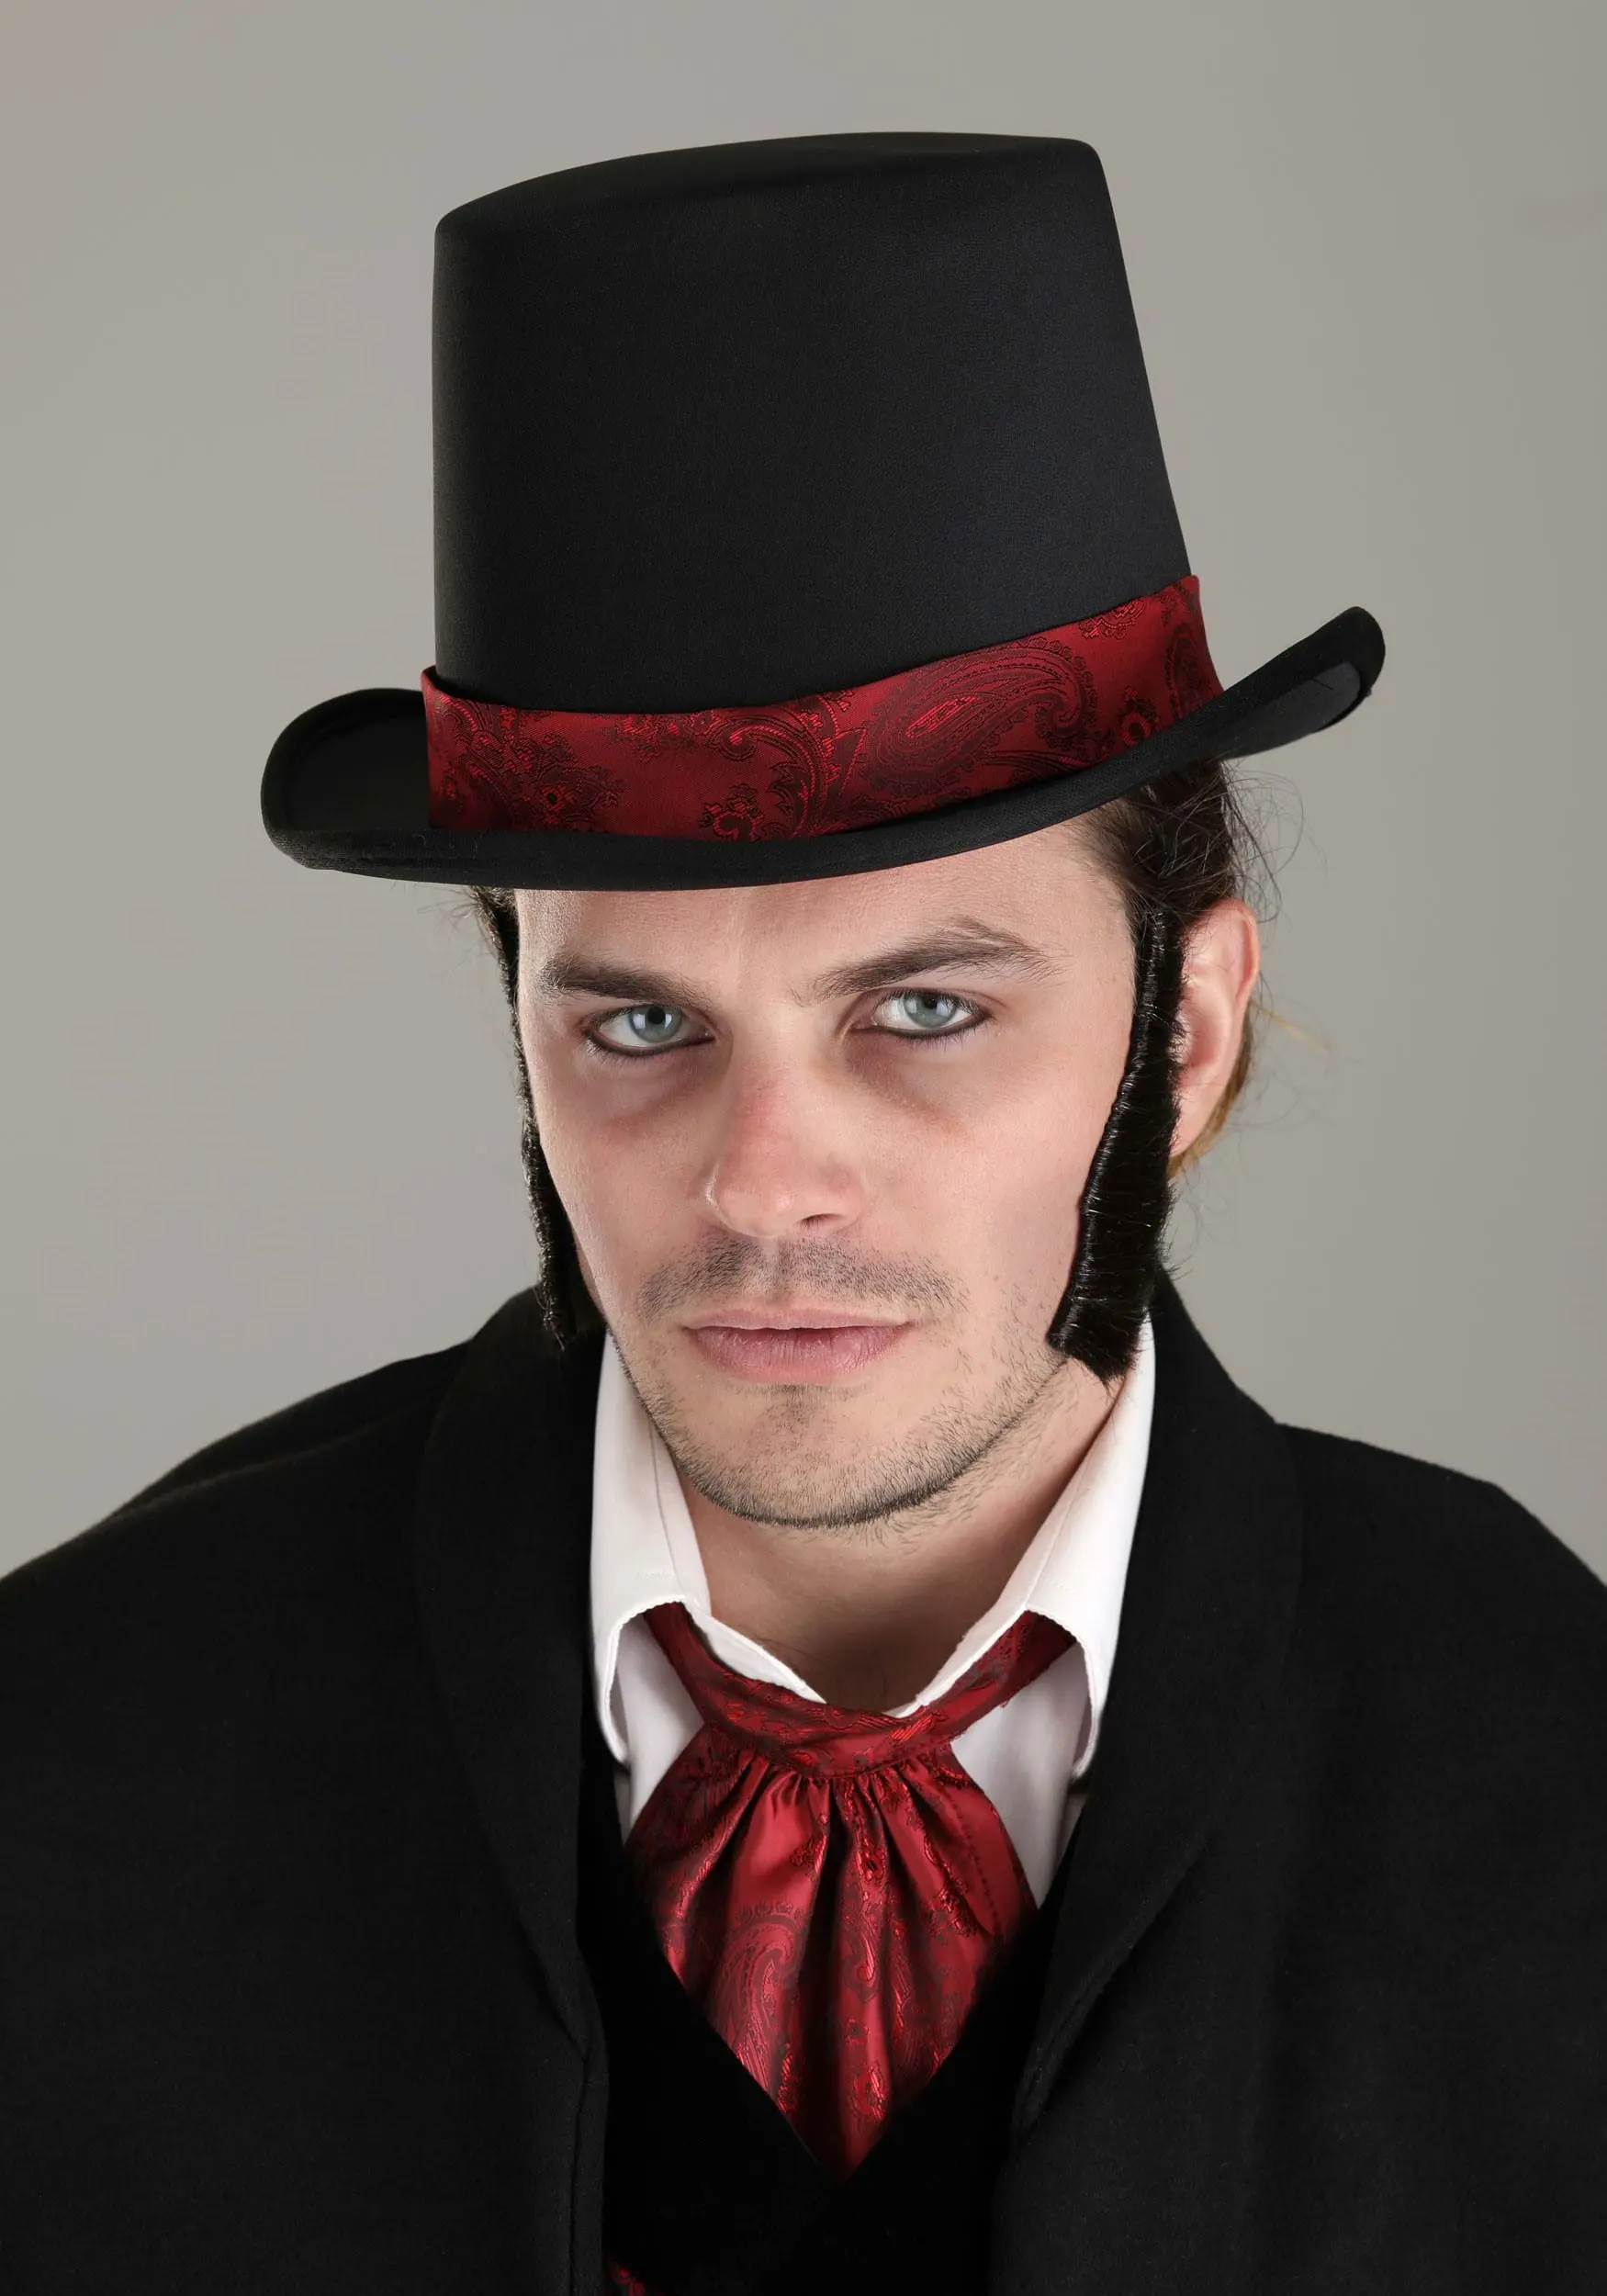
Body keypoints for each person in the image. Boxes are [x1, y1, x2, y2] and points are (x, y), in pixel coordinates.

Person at [2, 131, 1602, 2296]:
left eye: (922, 1008)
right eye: (638, 1023)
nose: (760, 1177)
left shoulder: (1544, 1752)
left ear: (1187, 1032)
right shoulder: (80, 1744)